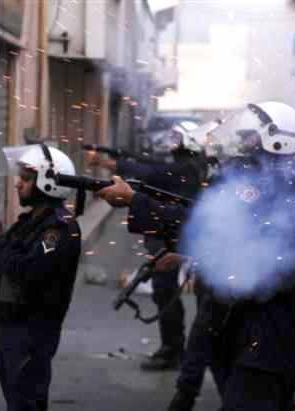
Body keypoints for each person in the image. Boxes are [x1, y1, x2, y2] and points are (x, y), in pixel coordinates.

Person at [100, 102, 295, 411]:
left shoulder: (284, 187)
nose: (243, 143)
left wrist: (135, 201)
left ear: (277, 140)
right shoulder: (279, 181)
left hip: (270, 328)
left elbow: (208, 226)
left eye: (249, 137)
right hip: (241, 319)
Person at [0, 144, 82, 411]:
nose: (18, 184)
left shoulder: (59, 229)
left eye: (26, 179)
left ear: (48, 183)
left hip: (32, 332)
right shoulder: (29, 223)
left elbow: (27, 271)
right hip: (11, 329)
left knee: (25, 404)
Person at [90, 123, 207, 371]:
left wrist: (110, 164)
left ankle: (174, 351)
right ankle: (176, 350)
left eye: (177, 139)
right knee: (165, 291)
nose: (172, 143)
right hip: (174, 235)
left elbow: (151, 172)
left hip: (177, 238)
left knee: (166, 291)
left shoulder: (187, 167)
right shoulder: (186, 164)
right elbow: (152, 164)